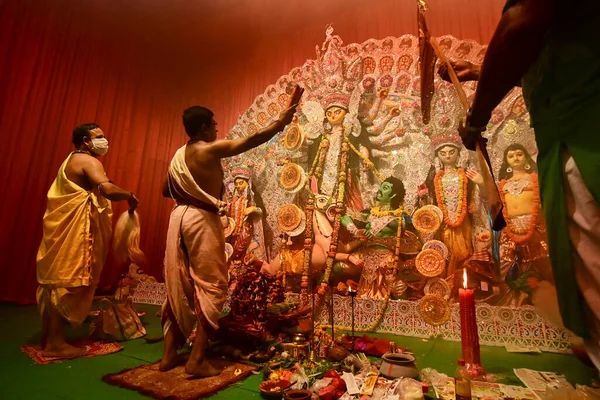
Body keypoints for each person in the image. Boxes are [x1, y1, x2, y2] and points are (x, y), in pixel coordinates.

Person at [439, 0, 600, 368]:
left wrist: (477, 118)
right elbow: (554, 49)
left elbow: (522, 23)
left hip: (585, 138)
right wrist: (483, 72)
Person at [159, 85, 304, 377]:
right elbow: (254, 139)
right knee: (213, 285)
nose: (217, 128)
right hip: (201, 220)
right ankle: (197, 358)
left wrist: (194, 193)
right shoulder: (210, 148)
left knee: (180, 283)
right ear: (202, 128)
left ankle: (169, 353)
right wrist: (282, 121)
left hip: (178, 218)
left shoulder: (178, 156)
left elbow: (166, 190)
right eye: (213, 124)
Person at [36, 123, 139, 358]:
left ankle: (52, 337)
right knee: (68, 283)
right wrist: (130, 196)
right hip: (75, 232)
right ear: (85, 140)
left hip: (61, 231)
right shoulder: (88, 161)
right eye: (99, 137)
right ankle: (55, 344)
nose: (105, 141)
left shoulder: (69, 161)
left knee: (57, 282)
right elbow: (107, 189)